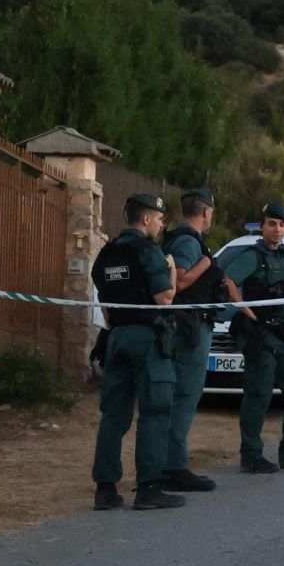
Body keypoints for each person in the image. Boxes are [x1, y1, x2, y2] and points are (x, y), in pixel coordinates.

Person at [90, 192, 185, 512]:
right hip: (147, 338)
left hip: (116, 337)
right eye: (159, 218)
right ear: (145, 219)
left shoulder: (106, 253)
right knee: (155, 412)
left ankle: (105, 489)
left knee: (114, 415)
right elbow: (165, 298)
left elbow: (104, 301)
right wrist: (170, 269)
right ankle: (149, 487)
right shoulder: (149, 251)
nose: (160, 224)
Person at [222, 201, 284, 473]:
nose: (277, 229)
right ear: (262, 226)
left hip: (279, 333)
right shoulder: (253, 255)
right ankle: (251, 455)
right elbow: (228, 280)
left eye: (281, 224)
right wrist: (244, 308)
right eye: (271, 224)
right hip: (258, 334)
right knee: (258, 395)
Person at [159, 188, 221, 493]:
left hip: (186, 327)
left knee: (179, 395)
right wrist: (206, 265)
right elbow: (180, 280)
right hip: (189, 329)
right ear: (206, 211)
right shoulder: (187, 241)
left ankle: (168, 462)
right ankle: (173, 466)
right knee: (184, 395)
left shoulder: (181, 238)